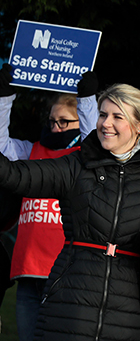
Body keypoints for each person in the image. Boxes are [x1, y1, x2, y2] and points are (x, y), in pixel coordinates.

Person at [0, 83, 140, 341]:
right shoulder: (76, 166)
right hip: (67, 310)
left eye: (117, 116)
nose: (105, 123)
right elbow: (16, 176)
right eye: (102, 115)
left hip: (128, 315)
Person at [0, 63, 99, 341]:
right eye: (52, 121)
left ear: (79, 122)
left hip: (65, 270)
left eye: (64, 122)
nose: (56, 128)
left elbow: (94, 139)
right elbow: (1, 148)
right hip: (28, 268)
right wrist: (4, 98)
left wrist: (87, 100)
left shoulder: (85, 155)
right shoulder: (32, 150)